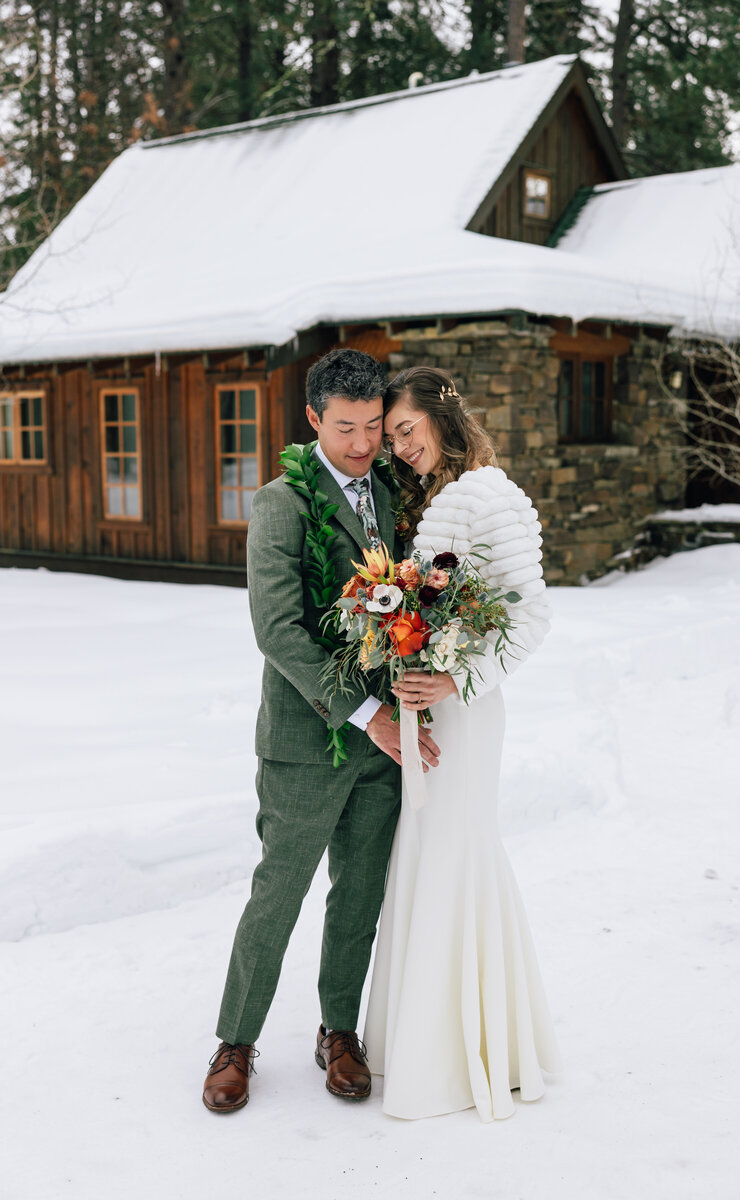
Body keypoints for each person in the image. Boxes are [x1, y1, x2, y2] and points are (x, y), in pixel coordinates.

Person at [202, 349, 441, 1113]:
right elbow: (277, 630)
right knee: (278, 895)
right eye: (346, 428)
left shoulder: (396, 490)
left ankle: (339, 1031)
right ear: (312, 420)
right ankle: (235, 1041)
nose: (364, 442)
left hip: (389, 740)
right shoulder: (281, 502)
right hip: (312, 739)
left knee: (360, 895)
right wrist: (366, 715)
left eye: (374, 426)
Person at [364, 365, 563, 1122]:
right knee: (425, 849)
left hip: (465, 709)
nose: (401, 447)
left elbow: (530, 615)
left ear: (445, 420)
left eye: (406, 431)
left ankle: (471, 1047)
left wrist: (456, 682)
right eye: (392, 439)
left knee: (457, 848)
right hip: (429, 705)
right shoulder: (443, 498)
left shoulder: (489, 494)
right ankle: (426, 1034)